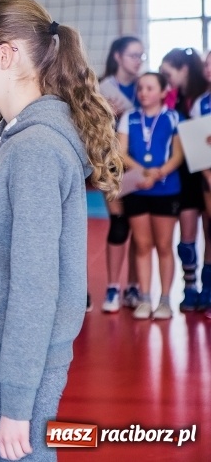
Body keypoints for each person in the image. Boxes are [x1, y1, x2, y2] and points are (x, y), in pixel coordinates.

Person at [0, 0, 122, 461]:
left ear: (6, 55)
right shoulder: (0, 142)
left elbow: (35, 284)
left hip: (20, 363)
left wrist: (18, 400)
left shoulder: (37, 150)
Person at [117, 72, 183, 320]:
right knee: (142, 245)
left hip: (166, 189)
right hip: (137, 188)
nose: (143, 92)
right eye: (141, 88)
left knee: (164, 246)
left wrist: (159, 173)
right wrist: (143, 170)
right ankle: (144, 298)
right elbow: (120, 152)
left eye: (150, 88)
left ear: (164, 91)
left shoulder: (174, 117)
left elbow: (178, 155)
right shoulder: (129, 118)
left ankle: (165, 300)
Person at [161, 48, 211, 313]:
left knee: (208, 231)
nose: (166, 80)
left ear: (184, 70)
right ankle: (190, 286)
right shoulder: (175, 98)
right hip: (187, 174)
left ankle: (207, 286)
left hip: (205, 174)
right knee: (188, 233)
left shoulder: (200, 97)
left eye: (169, 74)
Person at [98, 36, 144, 313]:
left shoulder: (147, 85)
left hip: (143, 165)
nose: (138, 61)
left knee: (141, 228)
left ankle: (135, 287)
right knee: (119, 223)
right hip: (113, 164)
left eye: (141, 56)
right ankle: (113, 287)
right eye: (133, 55)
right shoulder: (103, 88)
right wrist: (105, 116)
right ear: (118, 56)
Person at [188, 50, 211, 317]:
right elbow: (197, 145)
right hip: (207, 177)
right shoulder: (200, 104)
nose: (208, 68)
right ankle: (206, 291)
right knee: (208, 233)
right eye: (206, 64)